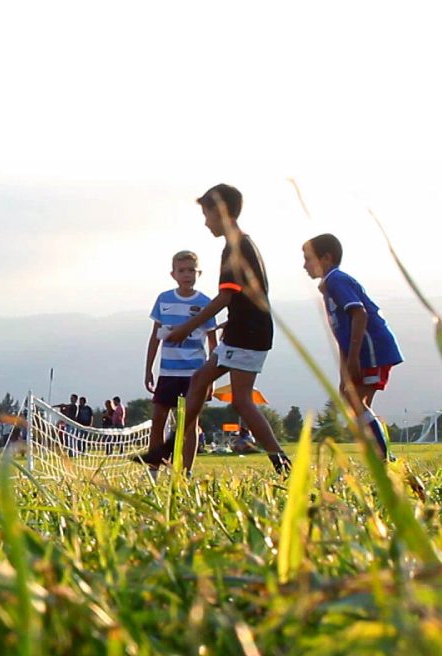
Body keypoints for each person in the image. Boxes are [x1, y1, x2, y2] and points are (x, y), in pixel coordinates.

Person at [165, 184, 291, 475]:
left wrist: (186, 328)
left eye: (207, 214)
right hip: (242, 332)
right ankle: (178, 453)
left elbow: (225, 297)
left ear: (220, 212)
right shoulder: (240, 243)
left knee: (242, 402)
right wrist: (230, 321)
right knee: (199, 382)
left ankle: (281, 463)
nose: (206, 221)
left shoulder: (236, 247)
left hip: (249, 335)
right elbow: (246, 295)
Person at [303, 233, 403, 460]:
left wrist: (355, 357)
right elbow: (342, 334)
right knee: (354, 403)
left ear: (326, 258)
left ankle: (384, 459)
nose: (305, 265)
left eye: (308, 259)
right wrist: (344, 372)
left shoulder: (336, 280)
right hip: (362, 351)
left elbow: (359, 313)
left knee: (355, 402)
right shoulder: (328, 287)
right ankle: (383, 458)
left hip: (372, 348)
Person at [134, 250, 218, 471]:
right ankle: (154, 469)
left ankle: (186, 472)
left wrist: (212, 377)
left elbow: (212, 342)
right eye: (182, 270)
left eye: (191, 270)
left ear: (199, 273)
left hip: (195, 373)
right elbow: (155, 336)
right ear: (173, 274)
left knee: (190, 424)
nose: (187, 275)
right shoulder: (164, 300)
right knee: (159, 419)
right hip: (168, 372)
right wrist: (148, 369)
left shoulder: (206, 303)